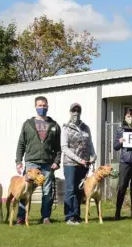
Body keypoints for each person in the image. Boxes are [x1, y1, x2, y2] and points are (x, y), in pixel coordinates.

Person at [15, 96, 62, 225]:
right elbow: (21, 144)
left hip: (47, 164)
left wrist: (57, 161)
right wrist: (18, 161)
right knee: (26, 190)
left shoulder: (54, 126)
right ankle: (21, 217)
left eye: (44, 105)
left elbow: (58, 148)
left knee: (47, 191)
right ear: (35, 107)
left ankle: (45, 217)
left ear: (48, 106)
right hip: (31, 163)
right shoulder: (28, 124)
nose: (42, 108)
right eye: (40, 105)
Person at [61, 103, 97, 225]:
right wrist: (78, 159)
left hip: (83, 164)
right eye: (73, 110)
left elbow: (90, 143)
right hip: (70, 163)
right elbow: (64, 148)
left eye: (78, 110)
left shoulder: (86, 127)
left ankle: (77, 215)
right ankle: (69, 216)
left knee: (79, 190)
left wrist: (93, 155)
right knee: (70, 189)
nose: (76, 113)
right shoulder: (66, 128)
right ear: (70, 112)